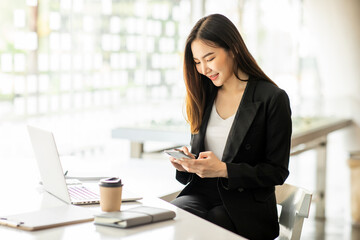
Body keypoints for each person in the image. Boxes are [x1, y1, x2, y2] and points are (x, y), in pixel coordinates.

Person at [168, 14, 292, 240]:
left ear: (233, 49)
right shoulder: (204, 95)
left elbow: (277, 171)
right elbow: (203, 156)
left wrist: (223, 170)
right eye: (197, 62)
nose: (203, 69)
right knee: (176, 215)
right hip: (202, 192)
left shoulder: (272, 98)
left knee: (211, 224)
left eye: (210, 58)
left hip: (246, 206)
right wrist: (187, 163)